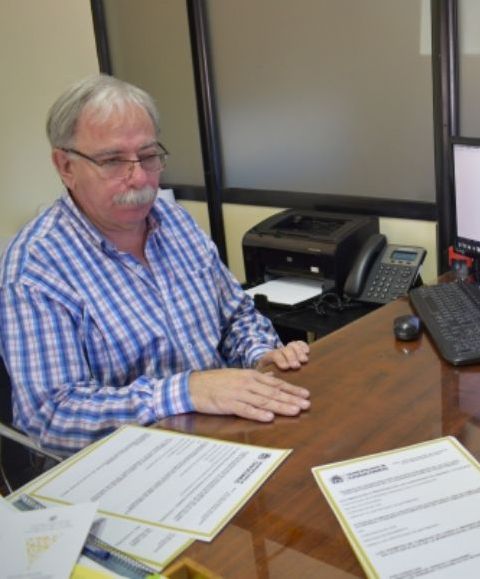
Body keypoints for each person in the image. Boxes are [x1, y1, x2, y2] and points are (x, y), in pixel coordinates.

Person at [0, 75, 312, 456]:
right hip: (129, 466)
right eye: (113, 160)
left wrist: (261, 353)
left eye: (148, 156)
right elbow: (52, 416)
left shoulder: (173, 220)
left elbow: (236, 316)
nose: (140, 178)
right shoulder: (35, 267)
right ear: (65, 166)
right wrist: (187, 390)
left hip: (223, 437)